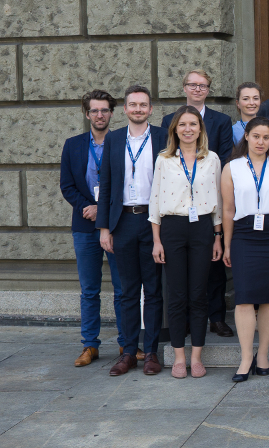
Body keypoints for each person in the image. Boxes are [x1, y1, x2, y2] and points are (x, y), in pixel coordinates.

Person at [96, 85, 168, 376]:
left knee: (152, 291)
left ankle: (151, 352)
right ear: (124, 110)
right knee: (127, 291)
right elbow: (107, 183)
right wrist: (104, 228)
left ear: (151, 110)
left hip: (152, 221)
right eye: (133, 105)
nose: (138, 109)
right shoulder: (113, 140)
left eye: (143, 105)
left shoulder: (163, 137)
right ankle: (127, 351)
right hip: (122, 222)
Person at [221, 117, 269, 383]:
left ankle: (263, 354)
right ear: (246, 137)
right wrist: (227, 244)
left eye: (266, 137)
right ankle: (245, 357)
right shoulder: (231, 168)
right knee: (243, 297)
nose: (261, 142)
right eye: (256, 136)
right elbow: (228, 209)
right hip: (243, 234)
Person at [149, 106, 224, 379]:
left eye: (193, 124)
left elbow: (218, 200)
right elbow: (154, 203)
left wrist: (218, 237)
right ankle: (179, 356)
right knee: (178, 295)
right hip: (173, 228)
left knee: (198, 294)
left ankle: (197, 356)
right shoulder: (164, 159)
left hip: (203, 228)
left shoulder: (212, 159)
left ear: (200, 129)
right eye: (183, 125)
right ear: (175, 129)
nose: (188, 129)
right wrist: (157, 241)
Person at [161, 68, 234, 339]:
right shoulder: (169, 119)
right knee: (181, 277)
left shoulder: (221, 120)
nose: (197, 89)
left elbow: (225, 157)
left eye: (203, 86)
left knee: (212, 270)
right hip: (178, 208)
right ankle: (187, 323)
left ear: (208, 90)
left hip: (208, 200)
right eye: (192, 85)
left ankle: (215, 317)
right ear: (184, 88)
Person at [60, 90, 126, 366]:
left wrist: (104, 210)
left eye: (105, 110)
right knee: (89, 289)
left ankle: (127, 343)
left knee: (124, 288)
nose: (100, 115)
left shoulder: (122, 142)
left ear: (112, 113)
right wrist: (90, 208)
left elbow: (127, 183)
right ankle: (90, 345)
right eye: (95, 111)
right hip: (84, 226)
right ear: (87, 114)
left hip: (117, 224)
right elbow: (67, 186)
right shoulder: (72, 145)